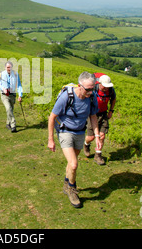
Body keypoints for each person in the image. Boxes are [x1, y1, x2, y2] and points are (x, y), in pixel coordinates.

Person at [47, 72, 101, 208]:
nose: (91, 92)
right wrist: (51, 139)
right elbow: (52, 117)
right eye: (88, 89)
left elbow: (93, 117)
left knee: (72, 164)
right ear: (79, 86)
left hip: (80, 132)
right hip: (65, 131)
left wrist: (97, 136)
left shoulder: (92, 97)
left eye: (93, 88)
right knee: (74, 164)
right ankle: (72, 189)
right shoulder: (67, 97)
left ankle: (66, 183)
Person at [84, 73, 116, 165]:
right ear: (99, 83)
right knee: (91, 137)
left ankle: (98, 155)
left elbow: (113, 99)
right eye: (104, 86)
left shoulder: (111, 90)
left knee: (102, 136)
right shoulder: (93, 89)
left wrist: (111, 111)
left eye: (107, 86)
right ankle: (86, 144)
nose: (106, 88)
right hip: (92, 114)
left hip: (103, 114)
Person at [0, 61, 23, 133]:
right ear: (5, 67)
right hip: (4, 95)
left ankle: (8, 123)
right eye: (7, 67)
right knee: (8, 108)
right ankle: (13, 125)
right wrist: (3, 88)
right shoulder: (1, 75)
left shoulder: (15, 74)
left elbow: (19, 85)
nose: (9, 68)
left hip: (13, 95)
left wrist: (20, 95)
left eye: (10, 67)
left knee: (10, 109)